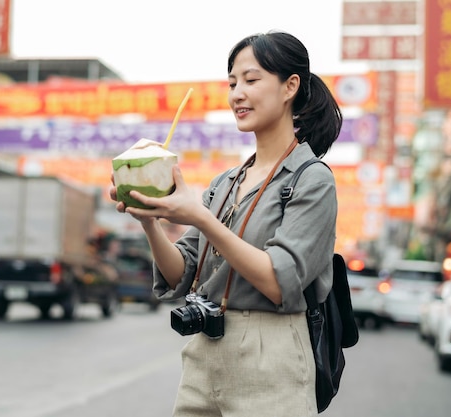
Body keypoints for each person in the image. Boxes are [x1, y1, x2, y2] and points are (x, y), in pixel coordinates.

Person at [110, 30, 342, 417]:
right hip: (204, 352)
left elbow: (278, 281)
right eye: (232, 83)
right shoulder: (225, 182)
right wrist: (149, 219)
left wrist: (199, 216)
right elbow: (180, 274)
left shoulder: (311, 178)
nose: (237, 93)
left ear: (290, 86)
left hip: (272, 354)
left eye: (251, 80)